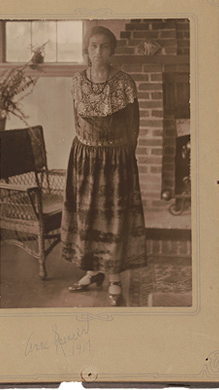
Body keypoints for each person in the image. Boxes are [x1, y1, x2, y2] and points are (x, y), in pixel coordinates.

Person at [61, 26, 146, 306]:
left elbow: (133, 126)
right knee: (88, 218)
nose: (99, 52)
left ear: (113, 51)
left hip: (116, 160)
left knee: (113, 218)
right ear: (86, 50)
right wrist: (85, 150)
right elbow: (76, 119)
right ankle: (92, 271)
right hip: (85, 158)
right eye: (94, 46)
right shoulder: (76, 81)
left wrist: (122, 158)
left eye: (105, 46)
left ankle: (115, 279)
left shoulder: (124, 82)